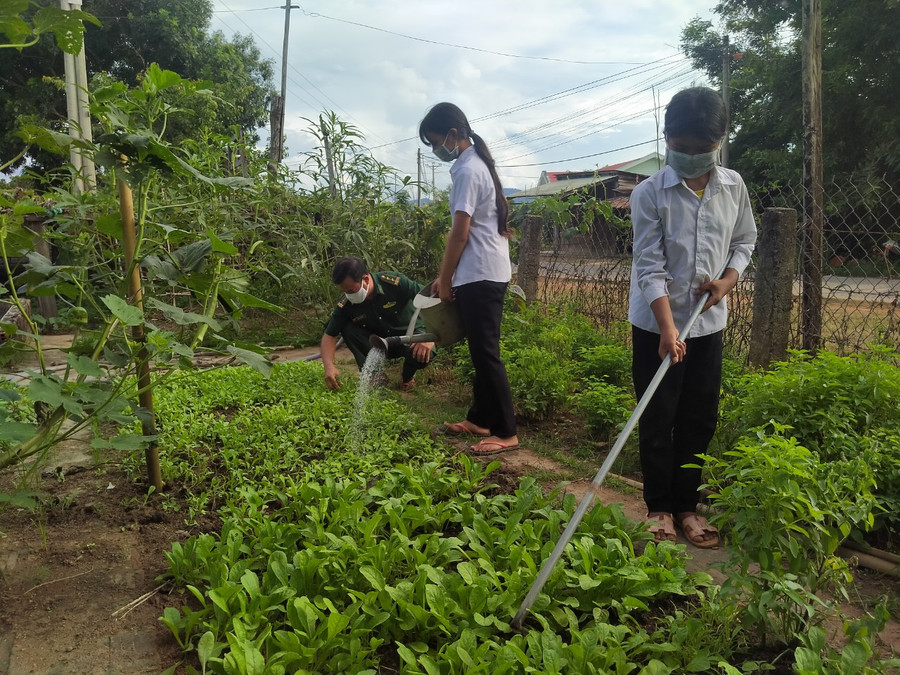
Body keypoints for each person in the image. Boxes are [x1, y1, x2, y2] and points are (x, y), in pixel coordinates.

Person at [628, 87, 757, 548]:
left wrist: (727, 282)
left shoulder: (733, 186)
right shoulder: (649, 193)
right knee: (658, 414)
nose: (689, 157)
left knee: (700, 416)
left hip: (706, 325)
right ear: (666, 138)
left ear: (720, 141)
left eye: (701, 150)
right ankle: (658, 507)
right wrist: (666, 326)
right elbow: (649, 263)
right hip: (655, 325)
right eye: (680, 148)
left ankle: (687, 506)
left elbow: (744, 241)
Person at [418, 102, 519, 456]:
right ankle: (480, 419)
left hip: (482, 275)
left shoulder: (467, 171)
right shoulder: (476, 165)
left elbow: (459, 234)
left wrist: (446, 281)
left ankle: (506, 432)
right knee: (480, 350)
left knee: (487, 353)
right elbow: (469, 235)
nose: (435, 150)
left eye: (435, 142)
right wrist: (445, 276)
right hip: (480, 272)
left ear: (453, 135)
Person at [320, 256, 434, 391]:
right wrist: (329, 367)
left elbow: (430, 299)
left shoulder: (394, 283)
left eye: (351, 290)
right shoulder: (346, 304)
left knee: (423, 355)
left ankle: (407, 378)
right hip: (378, 344)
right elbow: (329, 336)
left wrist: (428, 336)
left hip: (408, 338)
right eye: (344, 291)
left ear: (366, 279)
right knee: (347, 328)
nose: (348, 295)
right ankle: (375, 376)